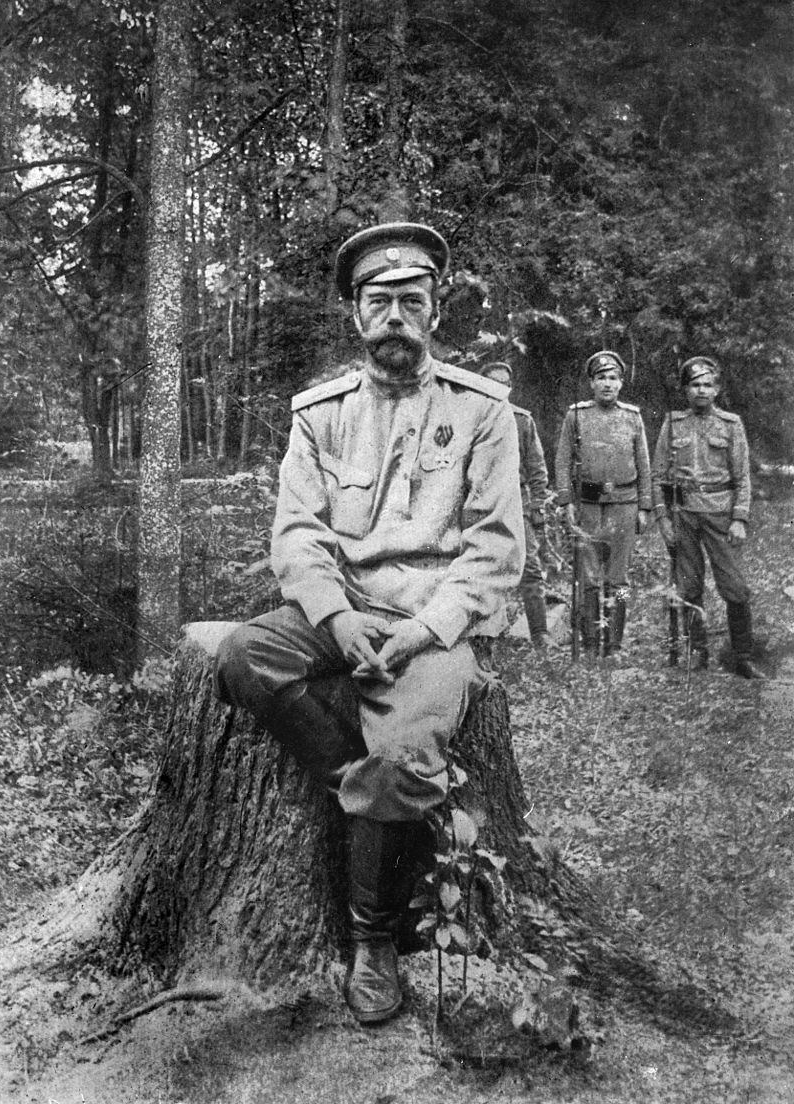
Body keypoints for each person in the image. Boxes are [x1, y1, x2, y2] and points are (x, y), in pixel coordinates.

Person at [214, 222, 525, 1025]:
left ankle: (374, 940)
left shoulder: (483, 413)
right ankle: (369, 790)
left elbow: (495, 549)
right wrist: (337, 617)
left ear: (434, 312)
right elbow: (298, 533)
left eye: (410, 301)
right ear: (356, 314)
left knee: (402, 756)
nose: (395, 316)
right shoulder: (320, 414)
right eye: (378, 301)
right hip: (343, 610)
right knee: (245, 656)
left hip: (437, 623)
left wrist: (424, 630)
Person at [651, 355, 765, 679]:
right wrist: (663, 520)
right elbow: (658, 476)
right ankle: (698, 651)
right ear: (686, 390)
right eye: (695, 384)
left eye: (707, 384)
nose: (701, 390)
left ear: (716, 389)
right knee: (689, 588)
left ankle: (743, 656)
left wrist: (740, 519)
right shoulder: (673, 424)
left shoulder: (730, 424)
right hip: (684, 516)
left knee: (736, 588)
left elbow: (742, 478)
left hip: (720, 515)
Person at [554, 350, 651, 656]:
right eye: (601, 378)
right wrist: (566, 501)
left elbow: (644, 465)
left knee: (619, 578)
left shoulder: (632, 417)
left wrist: (645, 507)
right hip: (590, 501)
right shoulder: (577, 415)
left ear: (621, 383)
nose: (607, 384)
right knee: (590, 577)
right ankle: (592, 642)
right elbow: (562, 461)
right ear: (591, 383)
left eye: (613, 378)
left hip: (625, 501)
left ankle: (614, 643)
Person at [481, 361, 551, 649]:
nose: (499, 388)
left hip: (518, 504)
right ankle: (485, 633)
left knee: (530, 568)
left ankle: (540, 632)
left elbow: (537, 469)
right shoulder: (470, 419)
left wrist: (538, 506)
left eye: (505, 383)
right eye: (492, 382)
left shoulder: (522, 421)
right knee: (484, 569)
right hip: (484, 505)